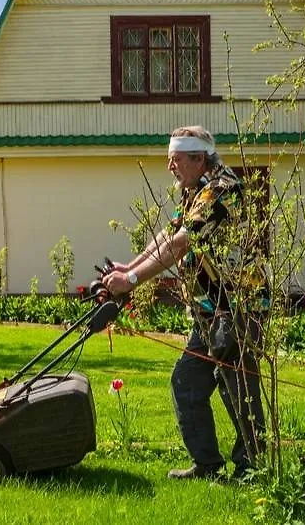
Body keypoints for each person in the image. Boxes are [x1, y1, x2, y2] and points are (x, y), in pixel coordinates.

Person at [102, 126, 268, 482]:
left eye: (175, 159)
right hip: (209, 311)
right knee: (187, 382)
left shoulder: (224, 191)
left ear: (198, 158)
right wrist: (127, 267)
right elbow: (168, 233)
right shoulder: (195, 192)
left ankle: (252, 467)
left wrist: (131, 282)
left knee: (237, 388)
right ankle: (207, 465)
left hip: (238, 308)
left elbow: (181, 243)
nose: (169, 167)